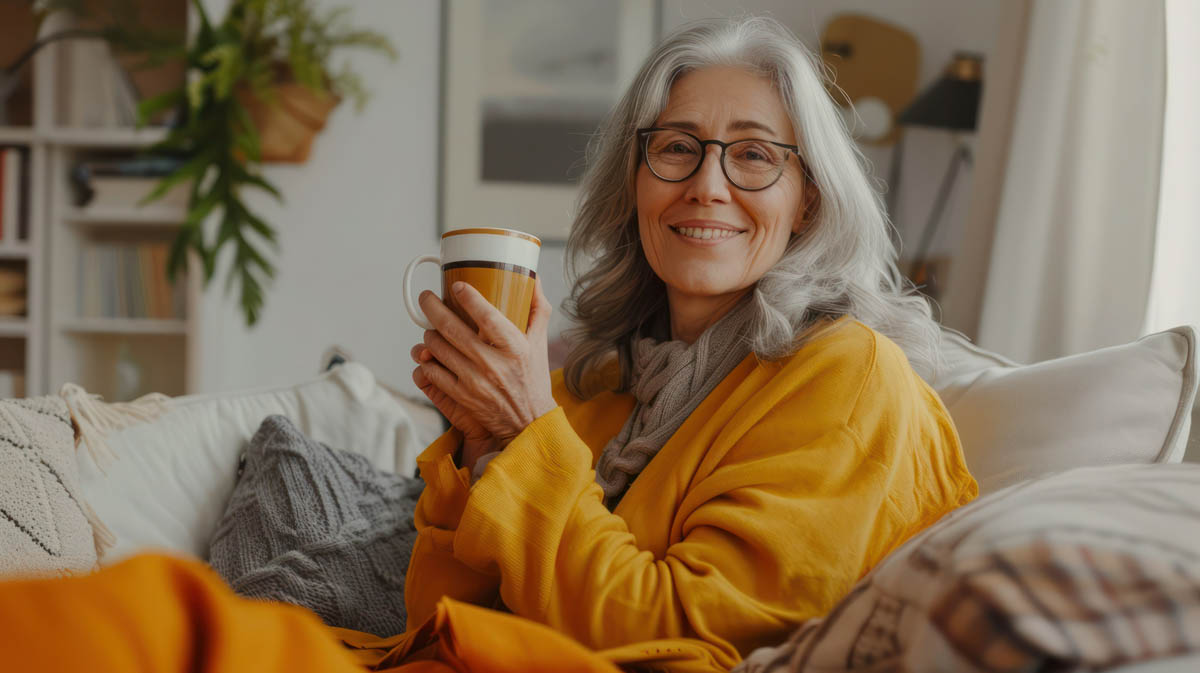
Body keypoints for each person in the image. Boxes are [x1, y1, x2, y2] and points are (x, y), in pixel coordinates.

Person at [0, 15, 976, 673]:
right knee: (119, 616)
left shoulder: (849, 378)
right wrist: (476, 446)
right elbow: (443, 596)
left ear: (809, 196)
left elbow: (685, 632)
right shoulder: (607, 377)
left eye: (755, 154)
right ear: (633, 182)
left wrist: (525, 432)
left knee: (126, 630)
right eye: (675, 147)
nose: (707, 185)